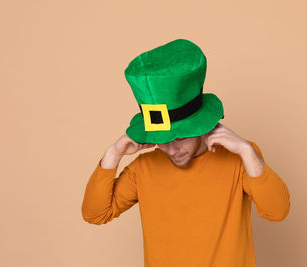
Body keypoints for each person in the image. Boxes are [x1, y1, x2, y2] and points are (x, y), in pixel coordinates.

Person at [81, 39, 290, 267]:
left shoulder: (240, 160)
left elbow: (277, 211)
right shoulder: (143, 169)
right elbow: (95, 214)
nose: (171, 149)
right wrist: (113, 155)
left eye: (180, 137)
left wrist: (247, 151)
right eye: (162, 140)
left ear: (200, 125)